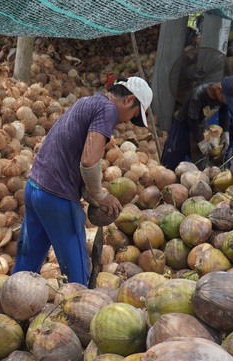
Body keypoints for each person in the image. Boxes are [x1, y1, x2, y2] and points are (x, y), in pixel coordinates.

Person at [12, 76, 153, 286]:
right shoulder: (108, 110)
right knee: (77, 276)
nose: (126, 122)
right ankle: (75, 316)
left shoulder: (87, 102)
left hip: (35, 187)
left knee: (26, 262)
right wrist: (99, 194)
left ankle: (8, 309)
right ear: (128, 100)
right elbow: (88, 161)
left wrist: (88, 194)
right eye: (133, 115)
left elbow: (71, 155)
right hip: (57, 197)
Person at [161, 75, 233, 170]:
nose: (225, 101)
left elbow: (224, 112)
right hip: (183, 127)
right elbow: (192, 119)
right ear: (218, 89)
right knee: (173, 157)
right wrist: (200, 140)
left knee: (198, 161)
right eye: (225, 98)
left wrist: (225, 132)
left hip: (200, 127)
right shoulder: (199, 94)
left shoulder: (222, 95)